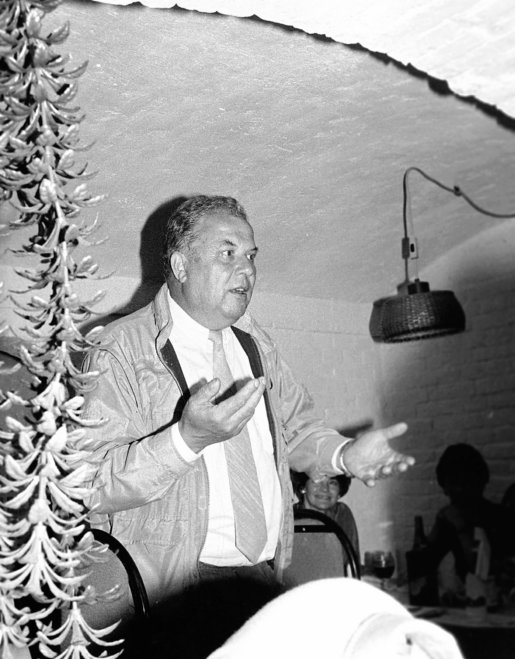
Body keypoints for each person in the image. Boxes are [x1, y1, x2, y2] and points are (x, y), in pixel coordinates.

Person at [82, 194, 414, 615]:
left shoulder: (257, 344)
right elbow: (91, 484)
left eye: (251, 256)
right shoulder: (119, 348)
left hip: (263, 575)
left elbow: (296, 431)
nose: (247, 270)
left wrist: (344, 455)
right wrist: (186, 440)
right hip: (175, 591)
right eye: (228, 254)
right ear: (181, 266)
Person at [425, 443, 506, 604]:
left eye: (466, 481)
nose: (460, 489)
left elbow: (482, 573)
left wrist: (461, 528)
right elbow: (422, 566)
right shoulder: (448, 521)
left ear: (481, 482)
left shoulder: (501, 518)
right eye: (453, 482)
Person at [292, 471, 360, 573]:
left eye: (332, 483)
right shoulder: (289, 518)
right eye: (317, 481)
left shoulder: (342, 514)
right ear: (303, 487)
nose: (325, 489)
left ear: (339, 491)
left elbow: (350, 564)